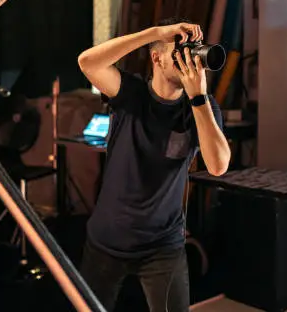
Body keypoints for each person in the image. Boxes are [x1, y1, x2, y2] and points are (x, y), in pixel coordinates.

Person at [76, 17, 231, 312]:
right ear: (157, 58)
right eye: (180, 50)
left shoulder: (199, 107)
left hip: (163, 243)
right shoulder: (131, 94)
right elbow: (87, 62)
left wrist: (199, 98)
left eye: (192, 49)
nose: (189, 57)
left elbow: (218, 165)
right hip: (108, 239)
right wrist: (154, 34)